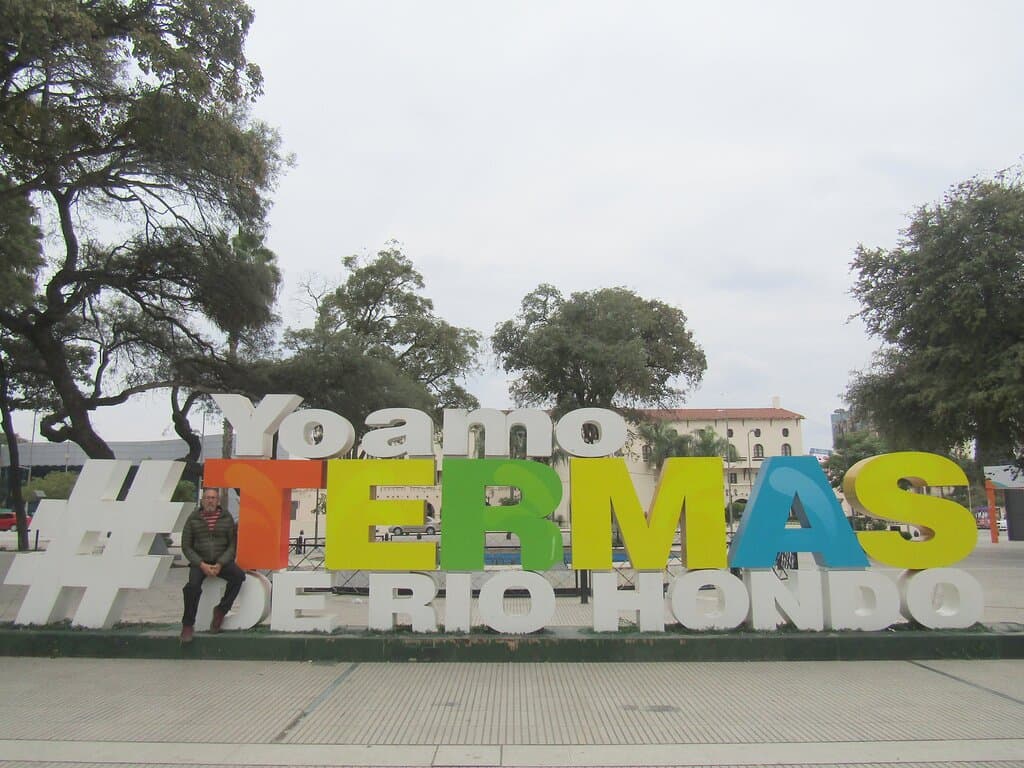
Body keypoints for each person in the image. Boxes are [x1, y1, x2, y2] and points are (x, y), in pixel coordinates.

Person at [180, 488, 245, 643]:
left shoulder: (226, 517)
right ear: (202, 500)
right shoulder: (193, 518)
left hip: (220, 561)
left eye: (213, 498)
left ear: (218, 501)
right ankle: (188, 624)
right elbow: (186, 546)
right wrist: (201, 564)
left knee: (238, 577)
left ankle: (221, 610)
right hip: (199, 562)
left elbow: (232, 545)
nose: (210, 501)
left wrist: (221, 563)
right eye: (207, 498)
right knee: (192, 588)